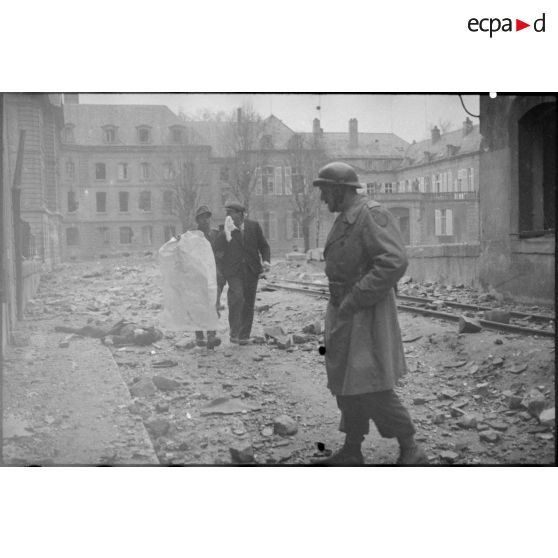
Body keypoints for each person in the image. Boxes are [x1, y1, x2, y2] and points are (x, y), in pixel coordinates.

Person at [312, 162, 427, 465]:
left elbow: (394, 261)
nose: (323, 199)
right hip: (343, 310)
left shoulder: (371, 214)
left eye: (326, 191)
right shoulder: (344, 219)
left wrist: (355, 298)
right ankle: (352, 450)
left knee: (371, 384)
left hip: (365, 313)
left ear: (340, 190)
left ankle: (410, 447)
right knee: (345, 384)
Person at [214, 200, 270, 345]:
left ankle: (244, 336)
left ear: (240, 214)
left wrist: (266, 261)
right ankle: (234, 332)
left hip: (251, 270)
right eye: (226, 213)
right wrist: (224, 233)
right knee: (237, 298)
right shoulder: (226, 229)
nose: (227, 216)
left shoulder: (254, 226)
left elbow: (264, 246)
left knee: (248, 303)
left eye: (230, 213)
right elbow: (217, 251)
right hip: (234, 272)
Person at [192, 205, 224, 350]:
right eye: (202, 218)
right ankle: (199, 336)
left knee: (214, 305)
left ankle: (211, 336)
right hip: (197, 276)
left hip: (213, 277)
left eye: (207, 217)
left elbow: (223, 251)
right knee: (198, 306)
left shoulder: (215, 234)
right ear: (197, 220)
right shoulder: (191, 236)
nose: (205, 220)